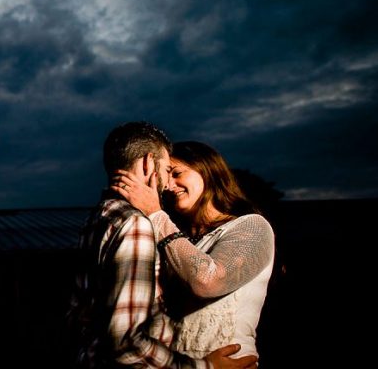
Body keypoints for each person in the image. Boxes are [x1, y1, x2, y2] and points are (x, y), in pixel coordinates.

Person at [69, 123, 258, 369]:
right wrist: (204, 367)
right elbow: (127, 344)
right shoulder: (135, 224)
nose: (168, 183)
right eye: (169, 170)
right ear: (149, 163)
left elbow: (77, 315)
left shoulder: (96, 219)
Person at [111, 141, 275, 360]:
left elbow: (209, 281)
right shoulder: (175, 238)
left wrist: (155, 214)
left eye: (176, 173)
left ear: (207, 170)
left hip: (230, 362)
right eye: (164, 176)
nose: (168, 185)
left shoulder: (252, 226)